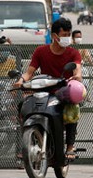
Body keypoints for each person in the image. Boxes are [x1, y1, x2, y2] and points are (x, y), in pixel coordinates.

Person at [14, 17, 83, 159]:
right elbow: (29, 72)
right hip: (43, 92)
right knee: (23, 106)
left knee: (72, 108)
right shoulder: (40, 51)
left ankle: (70, 146)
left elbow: (77, 69)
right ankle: (26, 143)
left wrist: (77, 76)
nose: (67, 38)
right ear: (54, 36)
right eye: (64, 35)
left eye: (68, 35)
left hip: (63, 93)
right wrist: (21, 81)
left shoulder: (73, 53)